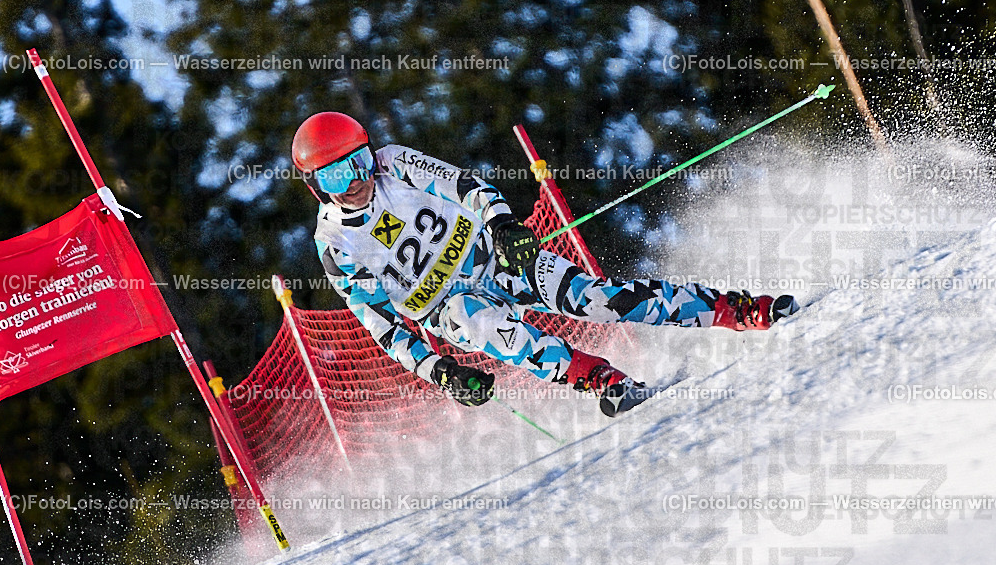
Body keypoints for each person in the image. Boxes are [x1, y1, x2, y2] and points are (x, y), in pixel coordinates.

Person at [294, 112, 798, 417]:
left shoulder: (395, 162)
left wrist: (503, 225)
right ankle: (606, 382)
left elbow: (465, 185)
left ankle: (741, 310)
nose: (356, 180)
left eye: (357, 162)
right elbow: (380, 323)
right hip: (449, 306)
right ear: (317, 185)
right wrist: (438, 370)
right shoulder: (335, 244)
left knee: (598, 300)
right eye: (338, 176)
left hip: (492, 258)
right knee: (502, 335)